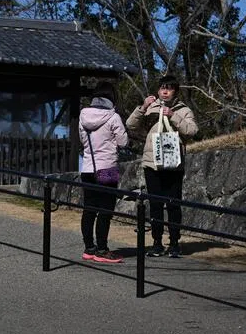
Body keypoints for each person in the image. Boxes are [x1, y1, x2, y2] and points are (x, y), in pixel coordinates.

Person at [126, 74, 199, 258]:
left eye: (169, 88)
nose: (164, 91)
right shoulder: (151, 107)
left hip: (173, 164)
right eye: (162, 88)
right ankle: (157, 243)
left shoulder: (183, 110)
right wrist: (142, 108)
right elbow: (130, 125)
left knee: (174, 205)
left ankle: (174, 243)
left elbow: (192, 131)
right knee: (156, 205)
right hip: (152, 164)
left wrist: (174, 116)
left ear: (175, 91)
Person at [78, 82, 129, 263]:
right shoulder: (113, 117)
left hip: (87, 168)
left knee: (89, 209)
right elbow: (123, 142)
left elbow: (83, 140)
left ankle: (89, 248)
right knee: (105, 210)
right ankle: (102, 250)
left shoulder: (83, 115)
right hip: (107, 168)